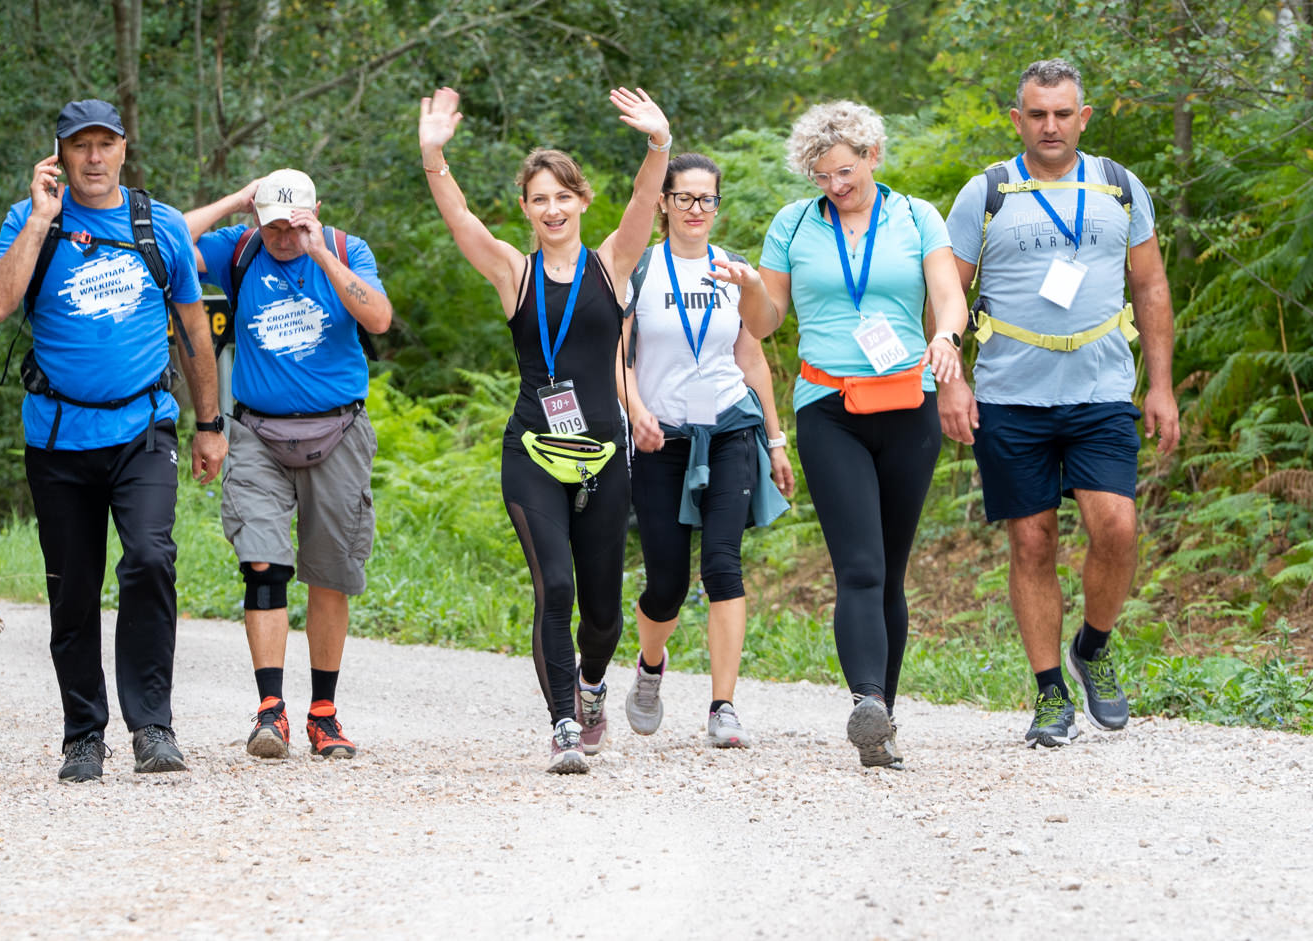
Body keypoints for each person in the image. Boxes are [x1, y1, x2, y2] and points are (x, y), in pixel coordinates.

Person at [416, 84, 671, 774]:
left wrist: (658, 144)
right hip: (532, 449)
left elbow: (647, 203)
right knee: (553, 587)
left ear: (583, 200)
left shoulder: (611, 262)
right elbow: (461, 218)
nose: (552, 208)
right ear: (526, 210)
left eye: (564, 195)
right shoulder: (512, 271)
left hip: (603, 456)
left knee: (603, 615)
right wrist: (433, 155)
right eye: (539, 198)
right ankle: (563, 720)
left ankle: (591, 684)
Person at [0, 99, 227, 783]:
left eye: (105, 144)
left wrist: (210, 424)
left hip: (143, 425)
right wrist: (37, 219)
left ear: (123, 148)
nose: (93, 158)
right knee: (74, 587)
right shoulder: (33, 224)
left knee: (150, 557)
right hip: (58, 436)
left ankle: (153, 726)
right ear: (58, 153)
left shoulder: (160, 226)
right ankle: (83, 735)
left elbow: (196, 332)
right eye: (79, 145)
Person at [720, 100, 970, 769]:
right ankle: (866, 699)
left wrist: (945, 336)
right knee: (857, 565)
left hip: (907, 401)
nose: (836, 184)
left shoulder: (917, 216)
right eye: (823, 174)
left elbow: (949, 293)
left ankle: (880, 721)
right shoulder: (793, 224)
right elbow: (767, 319)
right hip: (828, 405)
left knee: (890, 569)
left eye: (846, 170)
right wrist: (748, 286)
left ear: (872, 156)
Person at [941, 58, 1179, 748]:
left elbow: (1152, 285)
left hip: (1101, 389)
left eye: (1062, 113)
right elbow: (948, 291)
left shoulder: (1119, 187)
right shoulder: (986, 193)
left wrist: (1159, 384)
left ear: (1084, 117)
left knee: (1118, 528)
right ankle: (1050, 693)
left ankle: (1094, 647)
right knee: (1032, 541)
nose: (1050, 125)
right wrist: (949, 376)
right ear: (1018, 119)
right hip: (1011, 397)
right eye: (1036, 114)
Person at [184, 168, 392, 762]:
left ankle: (323, 714)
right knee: (264, 565)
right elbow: (170, 241)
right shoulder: (239, 249)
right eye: (270, 225)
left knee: (329, 574)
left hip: (339, 430)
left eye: (292, 226)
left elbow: (377, 317)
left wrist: (321, 253)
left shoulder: (348, 251)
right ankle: (269, 710)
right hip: (255, 434)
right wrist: (235, 201)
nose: (280, 237)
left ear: (315, 213)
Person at [617, 152, 796, 749]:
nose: (697, 210)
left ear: (719, 205)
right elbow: (620, 359)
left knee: (723, 562)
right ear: (664, 203)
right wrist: (637, 412)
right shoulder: (638, 270)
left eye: (708, 199)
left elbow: (754, 353)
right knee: (666, 580)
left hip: (728, 429)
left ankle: (723, 706)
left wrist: (775, 439)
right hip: (660, 436)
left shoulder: (734, 268)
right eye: (685, 198)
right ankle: (650, 666)